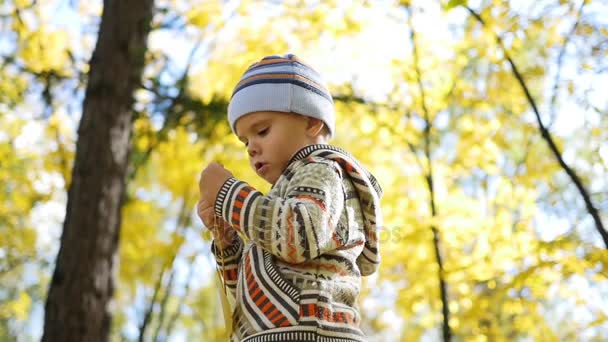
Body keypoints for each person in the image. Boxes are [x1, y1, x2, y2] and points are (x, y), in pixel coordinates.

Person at [197, 54, 383, 342]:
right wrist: (228, 242)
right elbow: (245, 296)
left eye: (262, 131)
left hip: (312, 331)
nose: (251, 148)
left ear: (311, 122)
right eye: (245, 141)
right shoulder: (280, 201)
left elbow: (297, 235)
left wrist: (228, 193)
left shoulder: (322, 171)